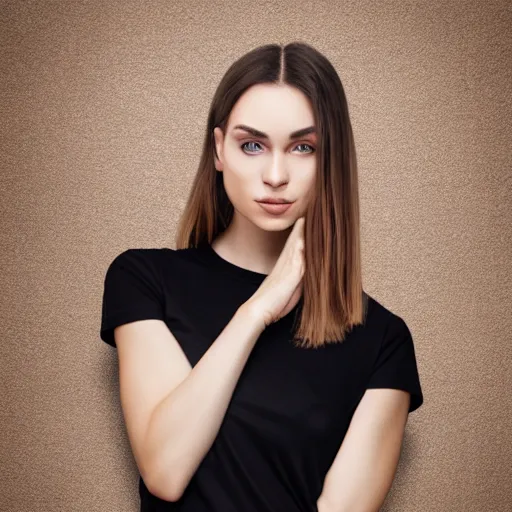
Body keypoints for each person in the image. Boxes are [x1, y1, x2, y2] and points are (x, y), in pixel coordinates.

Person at [100, 41, 424, 512]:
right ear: (219, 150)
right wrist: (257, 311)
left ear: (330, 160)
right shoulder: (145, 279)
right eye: (252, 145)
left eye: (303, 147)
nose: (276, 174)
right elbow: (165, 471)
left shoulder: (382, 340)